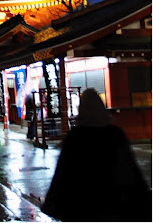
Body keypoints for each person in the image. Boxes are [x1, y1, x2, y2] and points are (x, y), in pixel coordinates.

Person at [41, 88, 151, 221]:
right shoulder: (115, 134)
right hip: (114, 204)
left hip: (81, 206)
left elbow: (63, 173)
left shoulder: (75, 137)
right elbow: (130, 169)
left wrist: (53, 202)